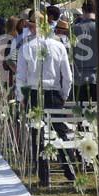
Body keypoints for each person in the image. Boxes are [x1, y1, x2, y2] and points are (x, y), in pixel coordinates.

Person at [16, 11, 75, 186]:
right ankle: (69, 169)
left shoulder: (26, 47)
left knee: (38, 135)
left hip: (34, 93)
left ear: (33, 27)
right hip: (54, 93)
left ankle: (44, 175)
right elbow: (68, 76)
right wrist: (63, 94)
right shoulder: (58, 46)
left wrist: (22, 97)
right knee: (61, 131)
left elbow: (21, 77)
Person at [72, 0, 98, 102]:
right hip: (97, 77)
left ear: (83, 10)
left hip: (78, 77)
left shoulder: (74, 29)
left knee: (79, 114)